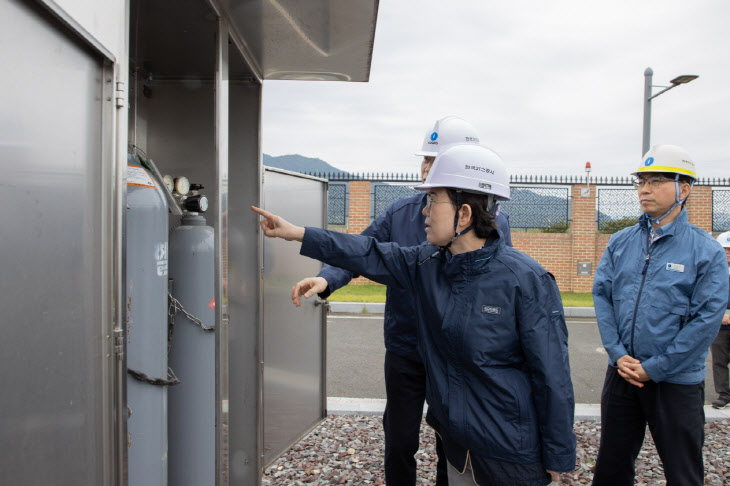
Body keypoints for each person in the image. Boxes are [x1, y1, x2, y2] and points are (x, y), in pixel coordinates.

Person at [254, 143, 576, 486]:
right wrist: (297, 233)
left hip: (508, 455)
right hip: (458, 447)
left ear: (464, 215)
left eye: (433, 200)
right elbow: (367, 250)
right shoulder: (426, 264)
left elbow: (551, 375)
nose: (423, 210)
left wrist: (558, 455)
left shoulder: (526, 280)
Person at [291, 116, 512, 486]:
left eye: (435, 159)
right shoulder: (401, 212)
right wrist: (327, 277)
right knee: (399, 438)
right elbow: (363, 251)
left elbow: (502, 285)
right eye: (425, 158)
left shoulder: (491, 224)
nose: (426, 166)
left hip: (454, 353)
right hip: (406, 347)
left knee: (454, 442)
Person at [591, 144, 729, 486]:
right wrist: (617, 353)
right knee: (611, 466)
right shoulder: (620, 242)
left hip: (675, 381)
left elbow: (706, 319)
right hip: (622, 374)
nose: (644, 189)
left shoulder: (705, 250)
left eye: (656, 181)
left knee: (683, 472)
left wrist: (656, 368)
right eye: (641, 181)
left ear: (684, 188)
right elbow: (603, 297)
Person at [710, 231, 730, 409]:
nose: (728, 252)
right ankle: (724, 394)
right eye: (725, 249)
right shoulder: (713, 271)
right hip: (720, 325)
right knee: (719, 360)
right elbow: (707, 297)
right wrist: (720, 314)